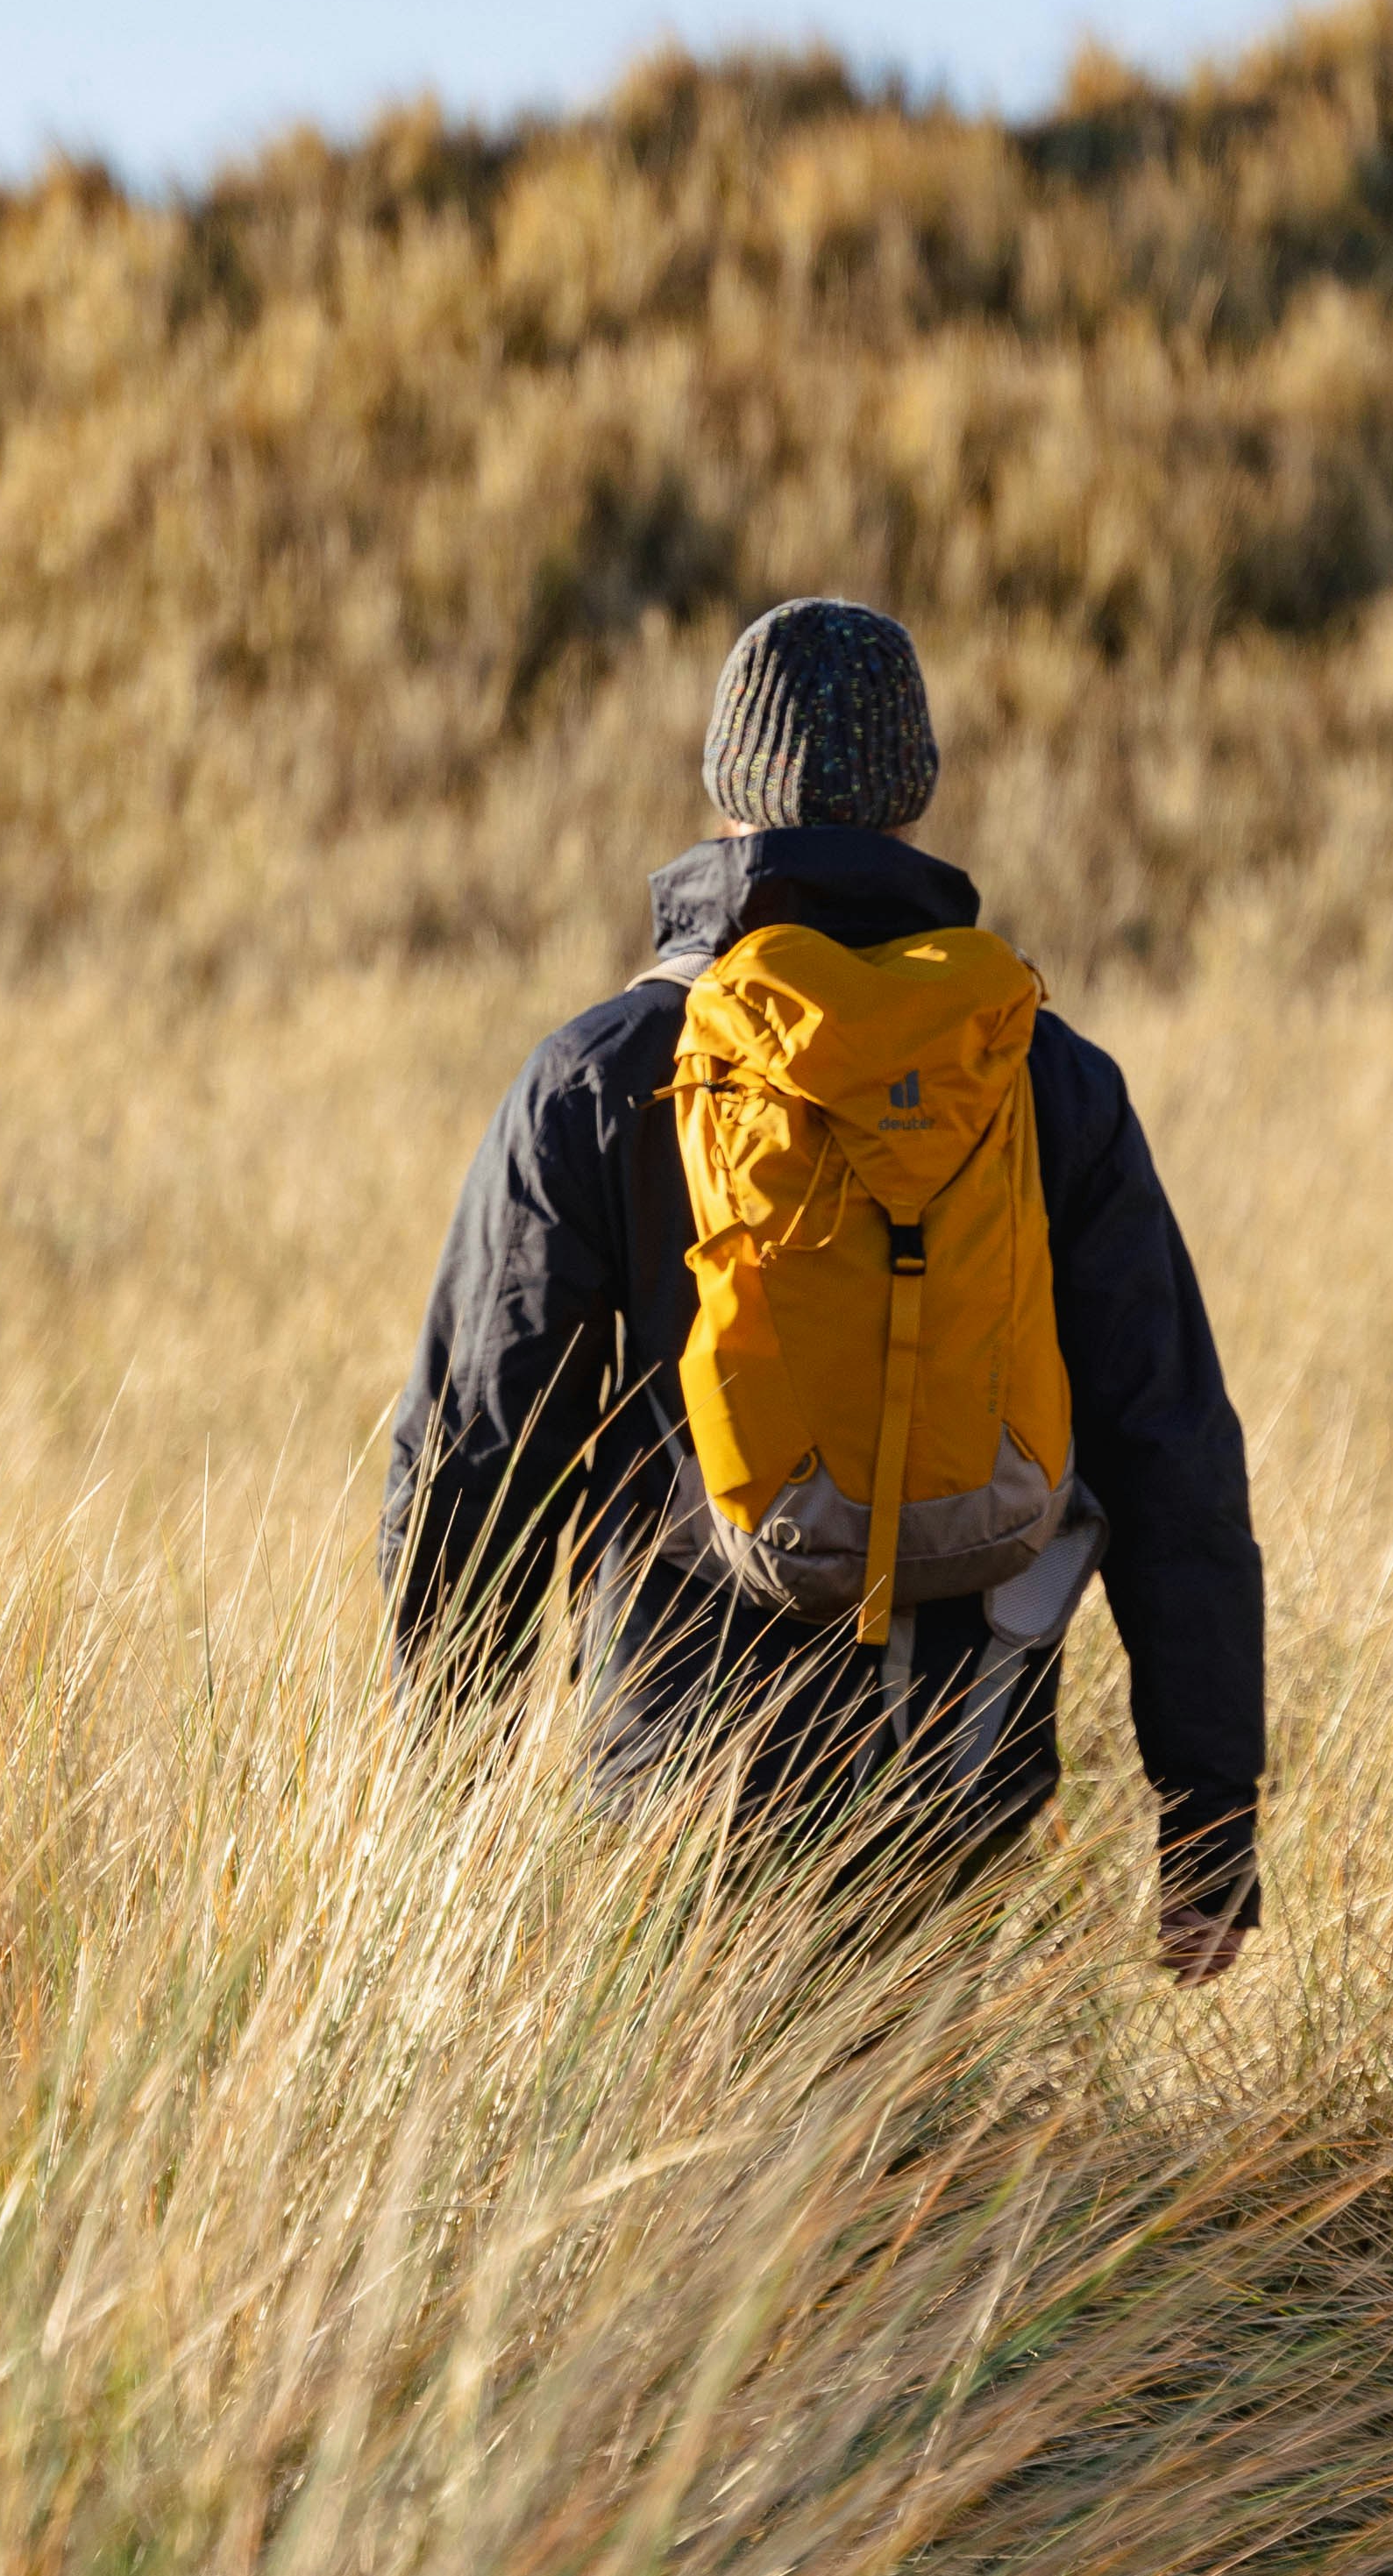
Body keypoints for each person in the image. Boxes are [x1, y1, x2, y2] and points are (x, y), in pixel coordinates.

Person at [380, 598, 1266, 1974]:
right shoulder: (1041, 1077)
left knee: (689, 2173)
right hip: (959, 1766)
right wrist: (1207, 1826)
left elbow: (479, 1447)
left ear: (725, 790)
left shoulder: (608, 1075)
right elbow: (1173, 1455)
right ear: (917, 794)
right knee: (922, 2170)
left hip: (683, 1774)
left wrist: (441, 1796)